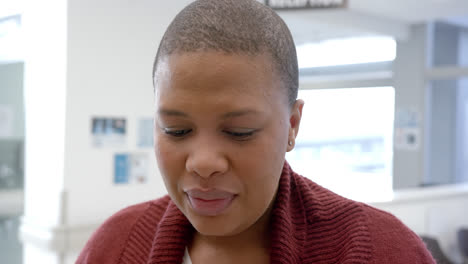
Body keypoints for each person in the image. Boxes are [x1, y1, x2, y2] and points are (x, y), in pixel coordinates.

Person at [76, 0, 435, 263]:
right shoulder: (113, 248)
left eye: (239, 132)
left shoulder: (382, 251)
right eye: (176, 129)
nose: (203, 163)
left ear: (292, 125)